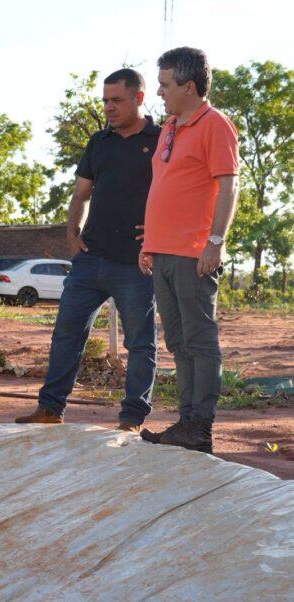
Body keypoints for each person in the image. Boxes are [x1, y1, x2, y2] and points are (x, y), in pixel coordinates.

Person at [15, 69, 160, 432]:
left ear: (138, 98)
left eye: (117, 100)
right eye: (105, 100)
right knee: (66, 333)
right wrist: (72, 234)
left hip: (136, 264)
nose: (109, 107)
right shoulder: (99, 141)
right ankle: (50, 408)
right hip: (90, 259)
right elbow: (81, 193)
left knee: (140, 344)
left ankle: (131, 418)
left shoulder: (161, 140)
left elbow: (178, 192)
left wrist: (161, 234)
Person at [138, 47, 240, 453]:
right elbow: (163, 189)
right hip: (163, 252)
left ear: (189, 86)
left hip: (193, 253)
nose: (159, 91)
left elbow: (228, 185)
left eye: (165, 84)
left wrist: (215, 242)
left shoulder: (216, 125)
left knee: (199, 340)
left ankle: (201, 425)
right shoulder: (170, 127)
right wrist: (149, 243)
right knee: (178, 342)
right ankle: (186, 423)